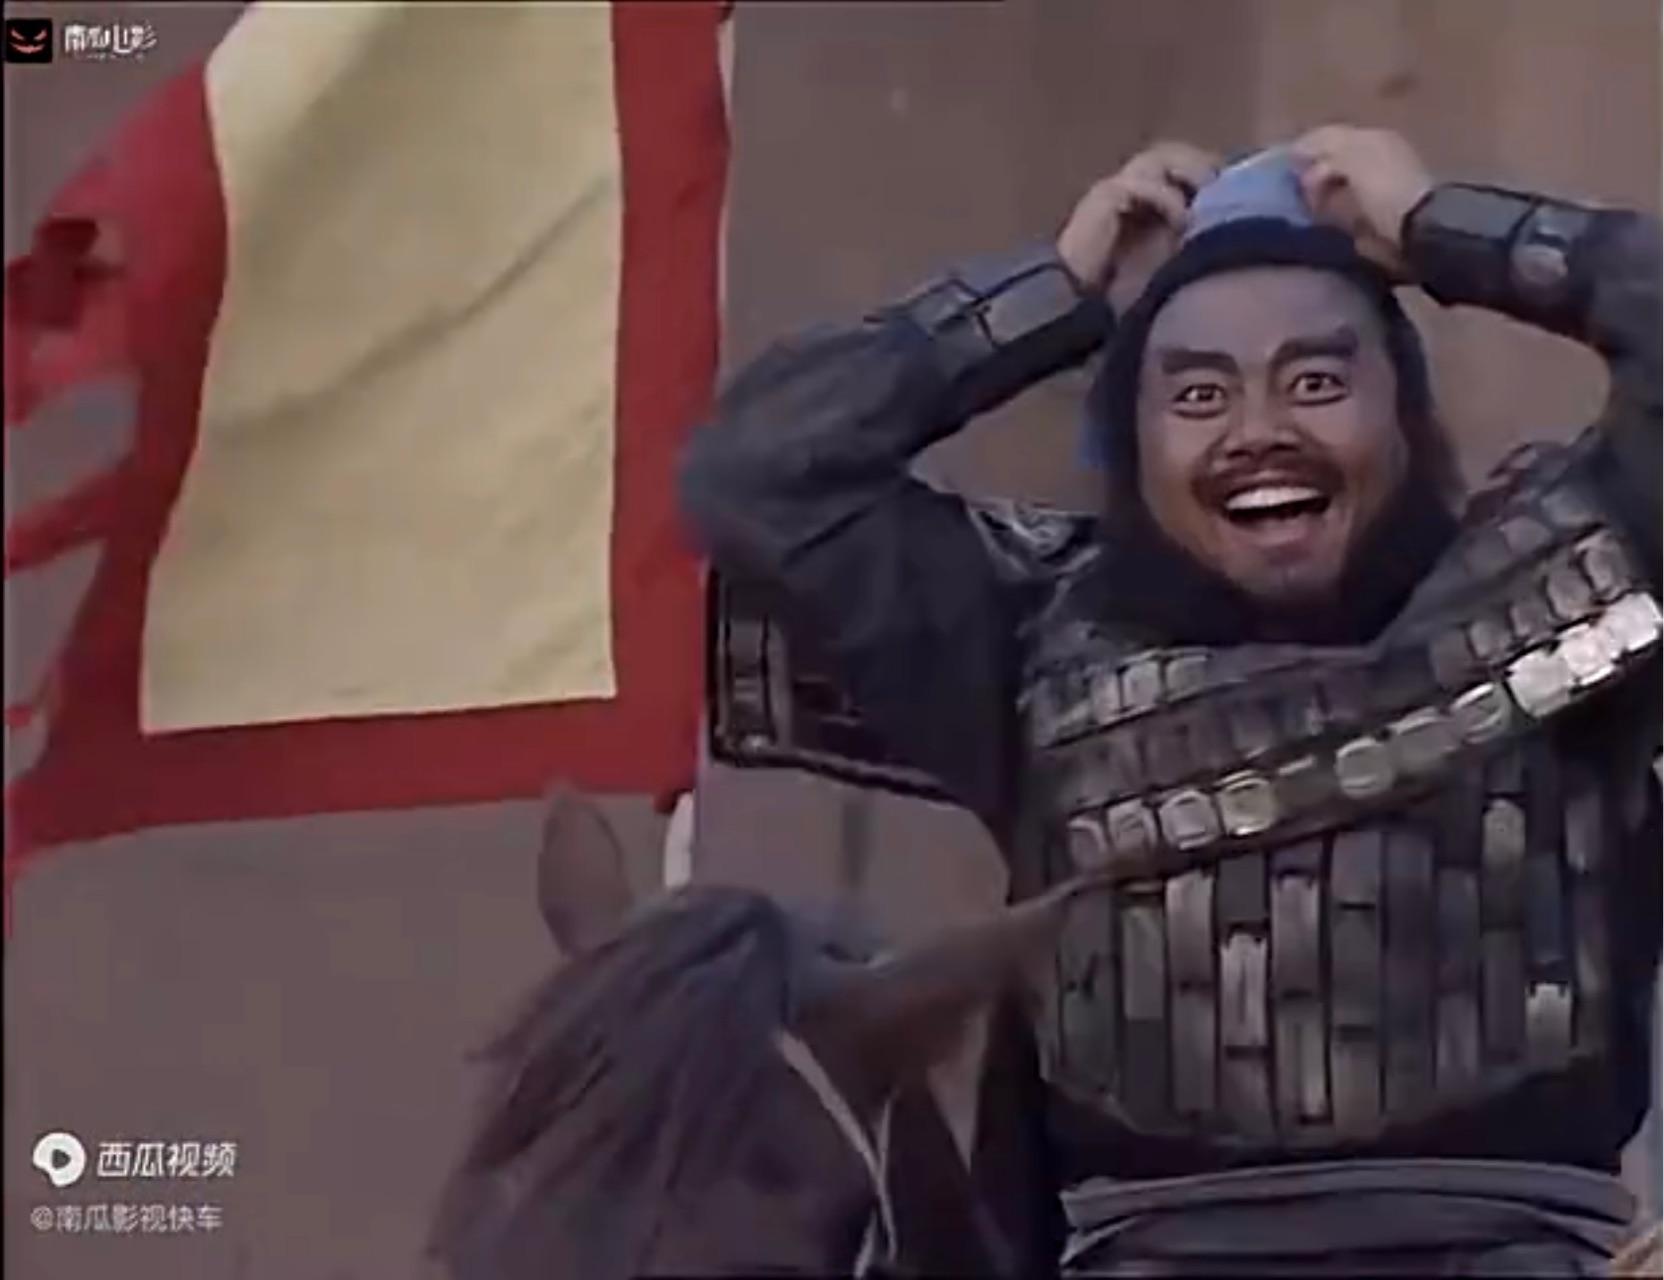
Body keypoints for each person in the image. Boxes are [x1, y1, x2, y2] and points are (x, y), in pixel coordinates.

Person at [679, 126, 1662, 1274]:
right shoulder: (1017, 644)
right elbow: (756, 471)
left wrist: (1443, 228)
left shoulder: (1573, 572)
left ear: (1403, 418)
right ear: (1131, 449)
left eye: (1316, 382)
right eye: (1197, 395)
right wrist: (1053, 289)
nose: (1258, 434)